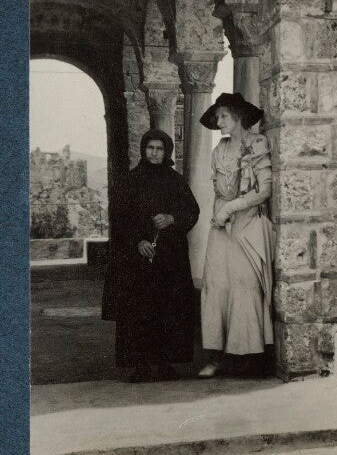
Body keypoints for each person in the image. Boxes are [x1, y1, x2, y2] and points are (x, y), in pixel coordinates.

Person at [102, 129, 200, 382]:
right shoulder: (129, 181)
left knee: (169, 309)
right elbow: (119, 218)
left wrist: (172, 219)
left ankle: (166, 364)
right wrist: (138, 242)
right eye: (150, 148)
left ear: (166, 152)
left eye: (159, 149)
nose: (154, 153)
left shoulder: (176, 181)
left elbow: (192, 211)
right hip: (138, 260)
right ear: (143, 150)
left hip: (170, 259)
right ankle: (141, 366)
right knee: (139, 311)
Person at [198, 92, 276, 377]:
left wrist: (231, 207)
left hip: (247, 226)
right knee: (216, 285)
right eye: (217, 117)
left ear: (239, 117)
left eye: (223, 116)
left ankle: (250, 356)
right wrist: (221, 212)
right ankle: (216, 356)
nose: (219, 122)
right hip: (222, 228)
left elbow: (264, 189)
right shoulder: (219, 150)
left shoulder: (257, 144)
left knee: (246, 285)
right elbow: (220, 187)